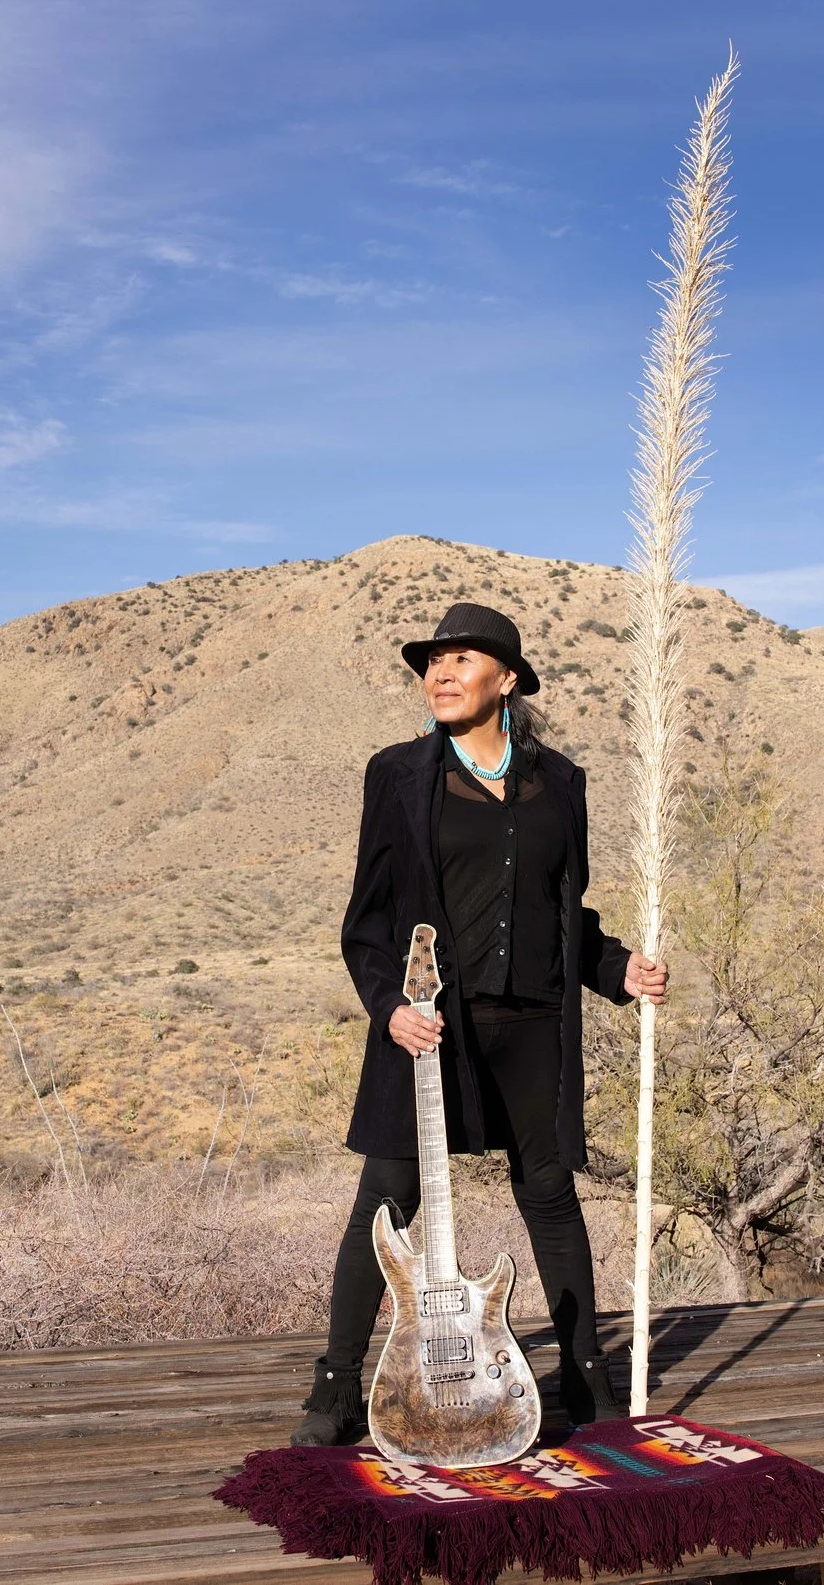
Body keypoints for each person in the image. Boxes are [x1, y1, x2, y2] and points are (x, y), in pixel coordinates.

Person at [292, 601, 668, 1448]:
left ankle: (588, 1384)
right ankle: (336, 1387)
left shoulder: (560, 783)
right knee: (388, 1199)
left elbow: (562, 913)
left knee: (551, 1197)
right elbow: (366, 921)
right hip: (428, 1025)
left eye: (461, 659)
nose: (441, 672)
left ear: (507, 679)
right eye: (433, 661)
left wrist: (617, 968)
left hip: (533, 1025)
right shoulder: (397, 775)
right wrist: (390, 1008)